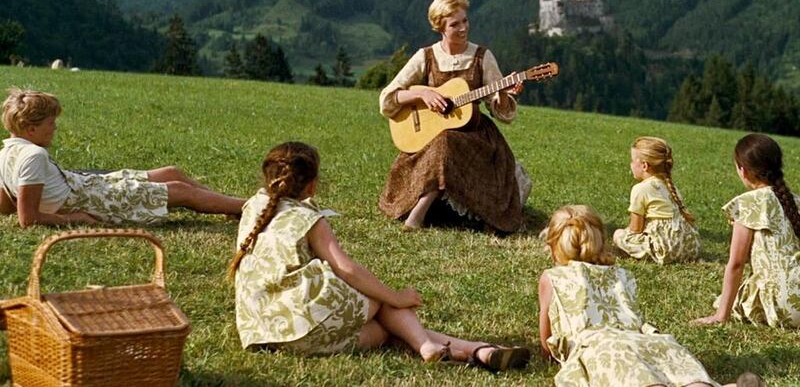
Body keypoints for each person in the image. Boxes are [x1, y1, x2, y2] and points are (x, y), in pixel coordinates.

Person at [231, 141, 530, 370]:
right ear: (311, 184)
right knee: (379, 299)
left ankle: (473, 350)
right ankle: (444, 346)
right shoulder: (309, 219)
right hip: (304, 323)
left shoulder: (253, 208)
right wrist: (396, 296)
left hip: (265, 331)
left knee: (382, 330)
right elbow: (346, 269)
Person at [378, 0, 528, 232]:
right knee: (443, 140)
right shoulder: (425, 57)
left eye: (465, 21)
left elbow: (502, 113)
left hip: (475, 138)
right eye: (454, 24)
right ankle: (424, 207)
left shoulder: (482, 57)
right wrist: (422, 94)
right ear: (440, 27)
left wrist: (502, 92)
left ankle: (419, 214)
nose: (462, 28)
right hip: (431, 137)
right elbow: (388, 99)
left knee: (446, 141)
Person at [539, 205, 729, 387]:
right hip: (646, 341)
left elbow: (546, 336)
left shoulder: (552, 278)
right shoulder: (621, 275)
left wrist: (550, 356)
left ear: (553, 245)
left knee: (640, 380)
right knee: (687, 377)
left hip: (601, 347)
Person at [0, 88, 244, 227]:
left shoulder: (5, 152)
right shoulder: (34, 155)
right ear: (31, 130)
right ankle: (250, 206)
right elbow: (28, 219)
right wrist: (74, 218)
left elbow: (6, 204)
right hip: (92, 201)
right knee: (180, 190)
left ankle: (227, 206)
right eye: (50, 124)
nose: (55, 128)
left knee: (171, 172)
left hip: (85, 186)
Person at [693, 133, 800, 328]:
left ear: (743, 171)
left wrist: (721, 315)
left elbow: (736, 264)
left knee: (724, 300)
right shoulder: (795, 201)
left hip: (785, 305)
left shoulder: (748, 204)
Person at [612, 136, 701, 263]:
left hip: (666, 250)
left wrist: (624, 234)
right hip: (689, 248)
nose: (631, 164)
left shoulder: (640, 189)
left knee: (618, 234)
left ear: (644, 166)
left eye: (632, 161)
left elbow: (635, 229)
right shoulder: (670, 186)